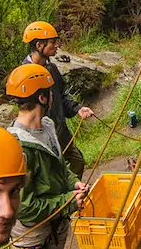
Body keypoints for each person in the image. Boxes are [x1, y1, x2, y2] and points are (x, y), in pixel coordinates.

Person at [3, 63, 89, 249]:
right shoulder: (17, 148)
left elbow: (61, 166)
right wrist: (67, 202)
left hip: (56, 221)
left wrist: (74, 183)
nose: (53, 96)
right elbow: (25, 207)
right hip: (32, 232)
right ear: (42, 97)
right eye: (50, 92)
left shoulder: (48, 126)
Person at [22, 21, 94, 179]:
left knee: (77, 162)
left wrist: (77, 109)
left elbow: (61, 95)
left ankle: (73, 196)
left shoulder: (51, 69)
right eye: (53, 43)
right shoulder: (24, 76)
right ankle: (66, 200)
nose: (56, 46)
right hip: (42, 137)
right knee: (53, 177)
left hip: (60, 131)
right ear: (40, 45)